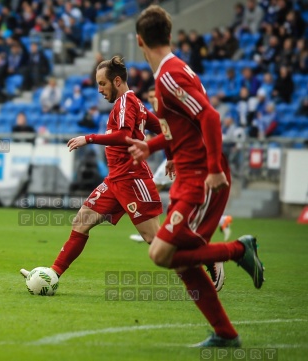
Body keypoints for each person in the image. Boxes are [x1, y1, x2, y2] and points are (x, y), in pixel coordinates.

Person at [128, 5, 264, 347]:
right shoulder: (172, 73)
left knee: (161, 254)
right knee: (179, 262)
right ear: (170, 35)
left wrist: (215, 168)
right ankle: (225, 334)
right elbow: (183, 126)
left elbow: (211, 117)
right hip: (189, 175)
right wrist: (154, 147)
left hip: (202, 178)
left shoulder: (169, 75)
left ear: (139, 41)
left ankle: (237, 249)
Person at [20, 55, 165, 282]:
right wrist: (173, 155)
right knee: (82, 220)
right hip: (115, 180)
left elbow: (126, 135)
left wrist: (88, 138)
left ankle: (207, 258)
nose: (99, 89)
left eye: (102, 83)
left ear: (117, 81)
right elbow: (166, 131)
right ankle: (52, 274)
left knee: (155, 239)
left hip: (132, 180)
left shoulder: (127, 102)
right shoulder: (133, 104)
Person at [129, 87, 233, 252]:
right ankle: (164, 232)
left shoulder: (170, 109)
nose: (151, 100)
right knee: (177, 199)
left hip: (184, 158)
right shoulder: (155, 111)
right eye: (148, 97)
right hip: (176, 157)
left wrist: (153, 146)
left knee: (158, 188)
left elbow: (173, 133)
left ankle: (156, 231)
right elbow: (167, 135)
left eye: (153, 96)